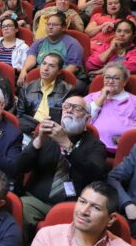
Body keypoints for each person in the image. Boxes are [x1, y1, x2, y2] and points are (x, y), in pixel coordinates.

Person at [15, 96, 107, 235]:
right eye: (66, 106)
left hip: (73, 206)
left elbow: (95, 174)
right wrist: (38, 140)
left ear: (87, 119)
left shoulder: (96, 145)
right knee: (19, 210)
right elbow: (19, 167)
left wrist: (66, 143)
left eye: (77, 108)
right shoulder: (46, 137)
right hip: (37, 200)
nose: (69, 111)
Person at [23, 181, 136, 246]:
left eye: (96, 208)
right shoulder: (47, 235)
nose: (83, 211)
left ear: (110, 219)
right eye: (82, 202)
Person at [84, 62, 136, 152]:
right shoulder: (92, 97)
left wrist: (127, 139)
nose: (110, 81)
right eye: (107, 77)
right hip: (92, 147)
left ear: (124, 82)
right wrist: (101, 97)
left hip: (124, 149)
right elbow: (81, 120)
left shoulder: (135, 101)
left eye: (116, 78)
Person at [17, 12, 85, 88]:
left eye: (54, 25)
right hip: (43, 76)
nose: (50, 27)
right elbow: (31, 58)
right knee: (23, 83)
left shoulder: (72, 44)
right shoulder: (39, 42)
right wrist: (24, 69)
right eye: (48, 24)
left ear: (63, 27)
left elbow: (73, 67)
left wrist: (51, 80)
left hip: (64, 78)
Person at [16, 53, 76, 138]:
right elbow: (20, 115)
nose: (45, 68)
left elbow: (68, 120)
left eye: (51, 66)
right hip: (28, 130)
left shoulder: (68, 91)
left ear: (59, 71)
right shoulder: (26, 88)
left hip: (52, 133)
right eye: (44, 64)